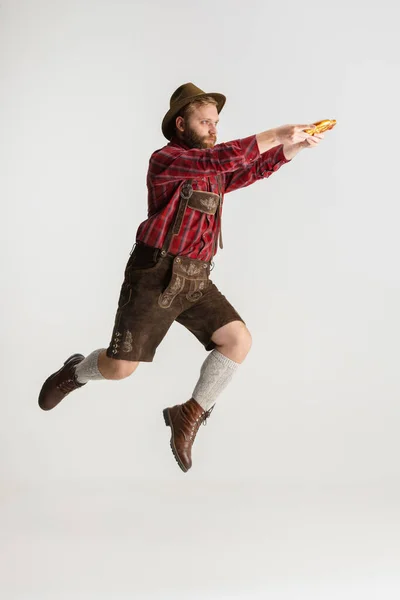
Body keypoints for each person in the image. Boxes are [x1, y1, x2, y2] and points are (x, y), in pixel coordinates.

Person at [38, 82, 326, 473]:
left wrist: (292, 148)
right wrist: (277, 133)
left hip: (195, 277)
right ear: (181, 124)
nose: (213, 128)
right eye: (205, 121)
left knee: (237, 340)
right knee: (120, 368)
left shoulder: (214, 167)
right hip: (155, 273)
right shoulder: (168, 159)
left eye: (216, 122)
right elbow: (220, 160)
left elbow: (249, 169)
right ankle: (75, 372)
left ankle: (188, 414)